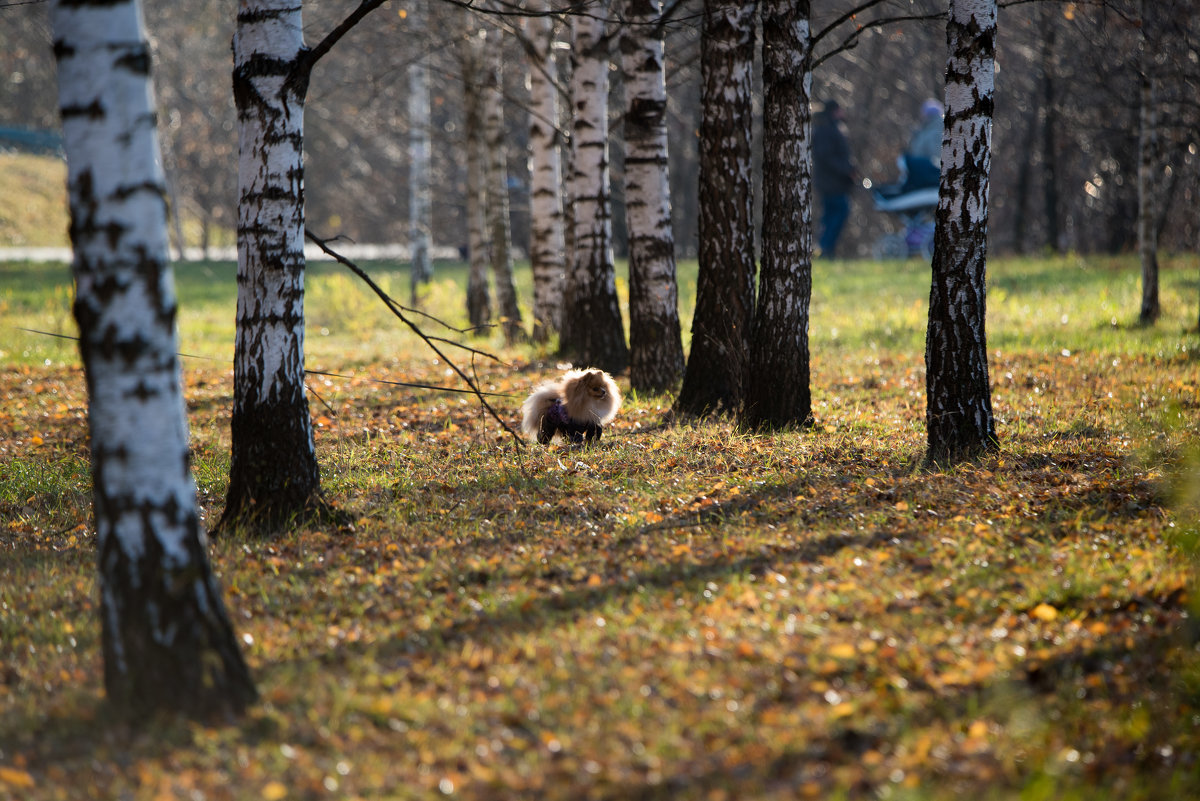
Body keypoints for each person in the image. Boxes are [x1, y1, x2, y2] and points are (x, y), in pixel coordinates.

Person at [812, 99, 857, 258]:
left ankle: (826, 248)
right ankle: (826, 248)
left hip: (832, 182)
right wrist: (846, 170)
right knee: (838, 212)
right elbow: (828, 157)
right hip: (832, 183)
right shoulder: (827, 129)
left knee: (831, 215)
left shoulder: (829, 128)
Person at [908, 98, 944, 167]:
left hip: (929, 173)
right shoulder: (925, 130)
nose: (921, 117)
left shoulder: (935, 133)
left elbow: (935, 158)